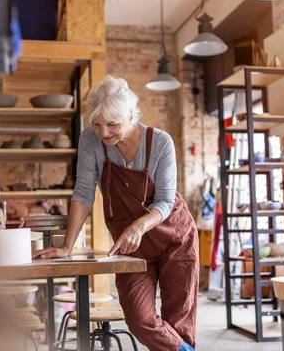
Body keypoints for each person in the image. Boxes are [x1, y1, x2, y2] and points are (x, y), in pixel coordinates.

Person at [33, 76, 199, 351]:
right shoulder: (90, 140)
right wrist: (66, 245)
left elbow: (166, 200)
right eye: (97, 124)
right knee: (139, 318)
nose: (104, 133)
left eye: (112, 124)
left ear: (131, 115)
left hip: (174, 237)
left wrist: (138, 227)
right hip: (131, 246)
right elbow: (83, 193)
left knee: (178, 320)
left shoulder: (160, 142)